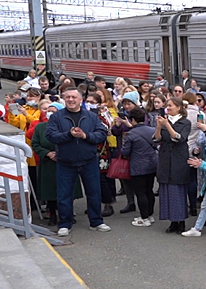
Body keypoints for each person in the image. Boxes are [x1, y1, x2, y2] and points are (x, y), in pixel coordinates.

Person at [45, 87, 111, 236]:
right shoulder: (57, 117)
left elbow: (101, 134)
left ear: (80, 100)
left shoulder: (91, 116)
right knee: (64, 194)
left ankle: (96, 221)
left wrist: (85, 136)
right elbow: (51, 136)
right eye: (67, 97)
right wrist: (69, 135)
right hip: (65, 162)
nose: (71, 100)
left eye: (74, 97)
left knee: (94, 192)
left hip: (89, 161)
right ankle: (65, 224)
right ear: (64, 99)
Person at [32, 102, 83, 227]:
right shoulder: (40, 127)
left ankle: (67, 214)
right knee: (50, 190)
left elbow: (75, 141)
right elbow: (35, 144)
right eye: (48, 110)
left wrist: (61, 154)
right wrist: (48, 154)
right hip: (48, 163)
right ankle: (52, 214)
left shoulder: (68, 126)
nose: (50, 113)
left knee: (67, 189)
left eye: (53, 111)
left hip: (66, 161)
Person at [154, 97, 192, 234]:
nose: (168, 108)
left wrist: (167, 125)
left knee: (177, 189)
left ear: (179, 107)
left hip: (178, 159)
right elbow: (156, 139)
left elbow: (179, 138)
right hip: (165, 158)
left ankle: (180, 221)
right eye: (167, 106)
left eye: (170, 106)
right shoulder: (165, 121)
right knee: (167, 190)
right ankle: (172, 221)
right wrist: (159, 127)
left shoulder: (185, 122)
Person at [120, 108, 158, 227]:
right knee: (149, 190)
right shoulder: (152, 130)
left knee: (140, 192)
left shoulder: (131, 134)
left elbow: (125, 152)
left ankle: (144, 217)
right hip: (152, 164)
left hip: (137, 166)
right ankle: (150, 215)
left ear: (133, 120)